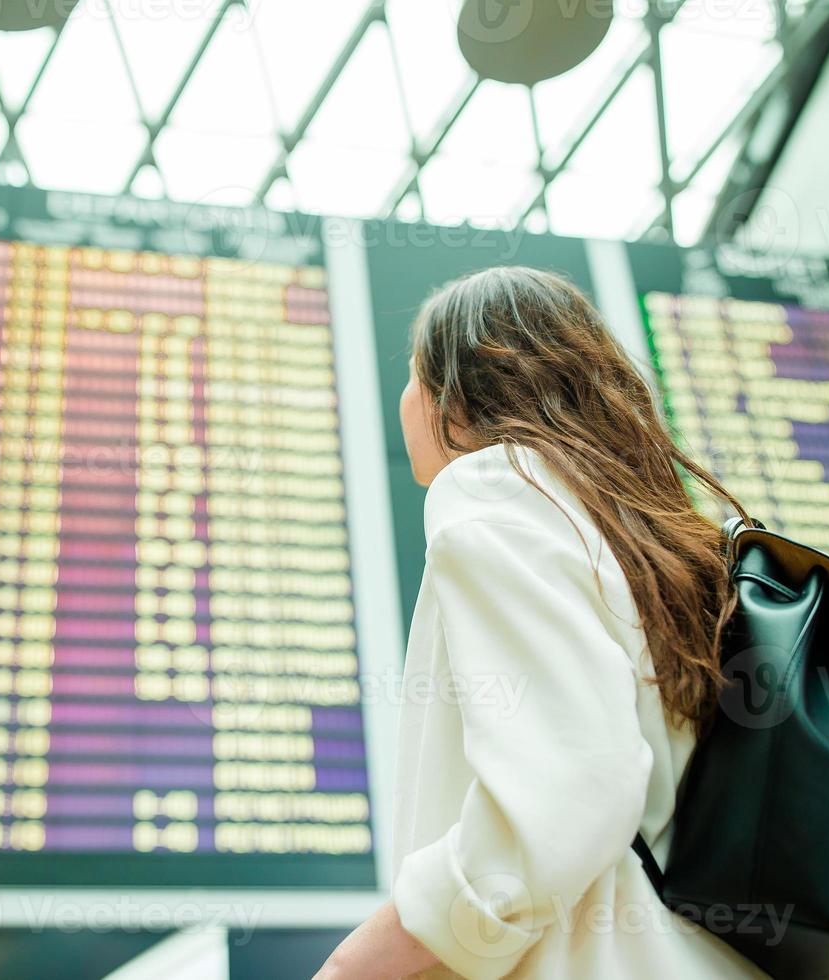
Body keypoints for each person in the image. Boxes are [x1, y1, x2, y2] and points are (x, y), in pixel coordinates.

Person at [315, 267, 769, 979]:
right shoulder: (660, 538)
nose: (404, 400)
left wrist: (356, 965)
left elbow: (570, 788)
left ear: (453, 401)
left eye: (412, 376)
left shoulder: (495, 493)